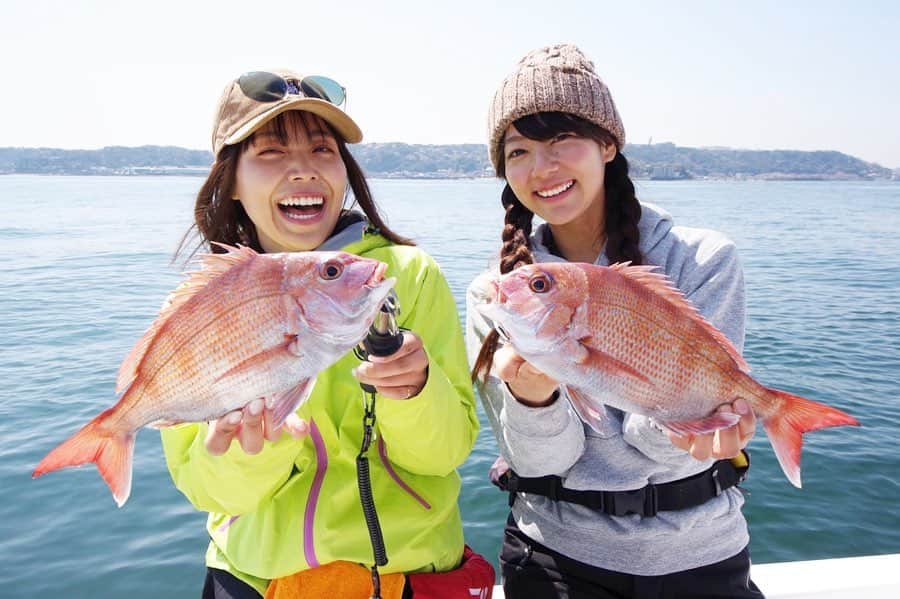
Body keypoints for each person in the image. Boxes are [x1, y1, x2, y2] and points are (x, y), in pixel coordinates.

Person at [161, 68, 490, 599]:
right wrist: (256, 448)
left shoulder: (407, 274)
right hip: (257, 581)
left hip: (409, 578)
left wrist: (413, 392)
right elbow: (208, 489)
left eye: (322, 150)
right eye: (270, 153)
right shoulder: (202, 307)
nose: (302, 171)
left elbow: (444, 454)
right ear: (233, 182)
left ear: (345, 169)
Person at [466, 44, 765, 598]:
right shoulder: (499, 292)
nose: (542, 168)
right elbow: (540, 463)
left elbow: (657, 446)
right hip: (553, 560)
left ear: (607, 145)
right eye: (519, 151)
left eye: (562, 141)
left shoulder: (701, 260)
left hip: (701, 555)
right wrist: (535, 397)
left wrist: (690, 425)